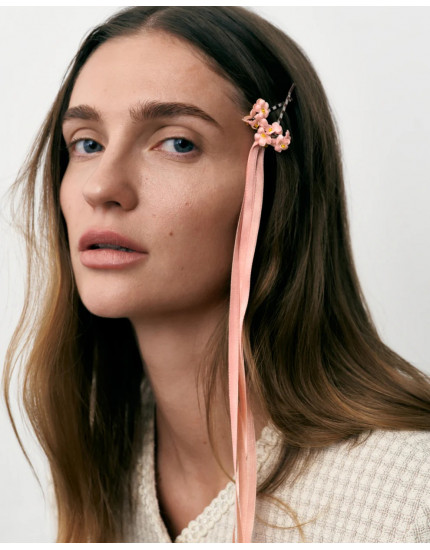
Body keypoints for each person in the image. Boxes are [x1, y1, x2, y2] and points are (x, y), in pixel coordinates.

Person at [3, 6, 430, 543]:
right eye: (87, 143)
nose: (101, 187)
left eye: (177, 143)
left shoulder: (411, 495)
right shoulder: (99, 453)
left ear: (278, 190)